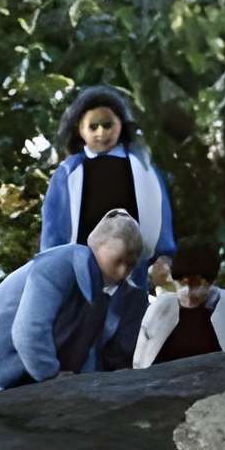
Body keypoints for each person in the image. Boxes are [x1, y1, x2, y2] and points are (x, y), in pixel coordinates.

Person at [39, 85, 174, 366]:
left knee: (129, 323)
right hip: (84, 262)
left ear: (121, 125)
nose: (101, 133)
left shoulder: (142, 168)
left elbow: (161, 213)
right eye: (94, 126)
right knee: (84, 326)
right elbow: (53, 224)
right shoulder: (69, 171)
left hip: (132, 260)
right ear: (79, 128)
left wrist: (163, 253)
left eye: (108, 125)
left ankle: (127, 375)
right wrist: (51, 262)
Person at [0, 213, 143, 391]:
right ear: (98, 244)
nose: (122, 273)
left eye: (129, 265)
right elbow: (29, 330)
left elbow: (85, 347)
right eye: (118, 261)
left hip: (26, 364)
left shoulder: (99, 294)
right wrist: (50, 375)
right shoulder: (58, 265)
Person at [132, 241, 225, 367]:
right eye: (182, 283)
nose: (189, 292)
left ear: (212, 280)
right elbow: (139, 362)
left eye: (197, 284)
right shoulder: (158, 310)